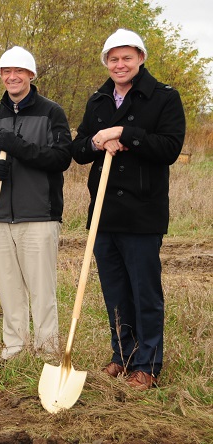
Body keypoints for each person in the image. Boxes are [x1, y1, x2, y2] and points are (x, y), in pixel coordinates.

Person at [71, 29, 185, 390]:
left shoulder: (164, 97)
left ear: (140, 59)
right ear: (107, 62)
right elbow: (78, 150)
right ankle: (123, 354)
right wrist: (96, 139)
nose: (120, 65)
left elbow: (169, 147)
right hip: (104, 211)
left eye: (127, 58)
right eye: (113, 59)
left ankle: (148, 364)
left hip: (143, 211)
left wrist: (125, 132)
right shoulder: (98, 99)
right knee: (115, 290)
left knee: (144, 291)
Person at [0, 46, 72, 363]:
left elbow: (61, 158)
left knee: (42, 288)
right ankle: (14, 348)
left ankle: (47, 351)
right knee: (9, 288)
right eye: (6, 71)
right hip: (0, 216)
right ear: (1, 76)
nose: (12, 77)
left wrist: (21, 148)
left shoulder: (51, 113)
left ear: (30, 75)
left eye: (19, 71)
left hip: (39, 214)